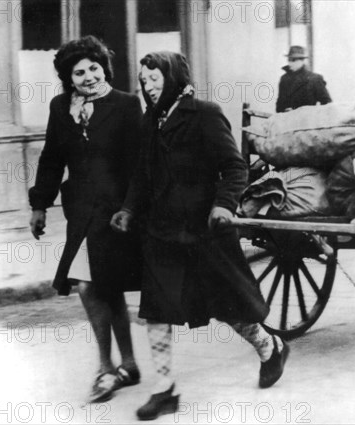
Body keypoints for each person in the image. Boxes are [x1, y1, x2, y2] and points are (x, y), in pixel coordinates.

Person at [110, 51, 290, 421]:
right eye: (144, 80)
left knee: (228, 307)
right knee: (156, 310)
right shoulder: (151, 121)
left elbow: (234, 167)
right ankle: (164, 391)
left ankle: (269, 346)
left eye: (155, 77)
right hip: (161, 232)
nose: (148, 85)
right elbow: (142, 176)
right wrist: (128, 209)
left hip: (204, 230)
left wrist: (224, 206)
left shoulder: (204, 114)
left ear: (174, 76)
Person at [28, 35, 143, 403]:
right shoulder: (61, 107)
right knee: (100, 286)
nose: (89, 76)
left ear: (103, 67)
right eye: (79, 72)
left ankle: (107, 369)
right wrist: (39, 205)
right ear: (68, 77)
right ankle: (125, 364)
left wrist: (131, 209)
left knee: (92, 286)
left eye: (94, 68)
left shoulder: (126, 105)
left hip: (114, 212)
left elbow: (139, 165)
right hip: (80, 210)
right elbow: (51, 159)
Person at [276, 45, 332, 113]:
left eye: (293, 60)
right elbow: (279, 106)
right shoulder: (284, 79)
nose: (290, 63)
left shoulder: (314, 79)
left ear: (302, 61)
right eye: (289, 60)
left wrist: (298, 112)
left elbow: (327, 105)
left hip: (307, 121)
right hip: (287, 121)